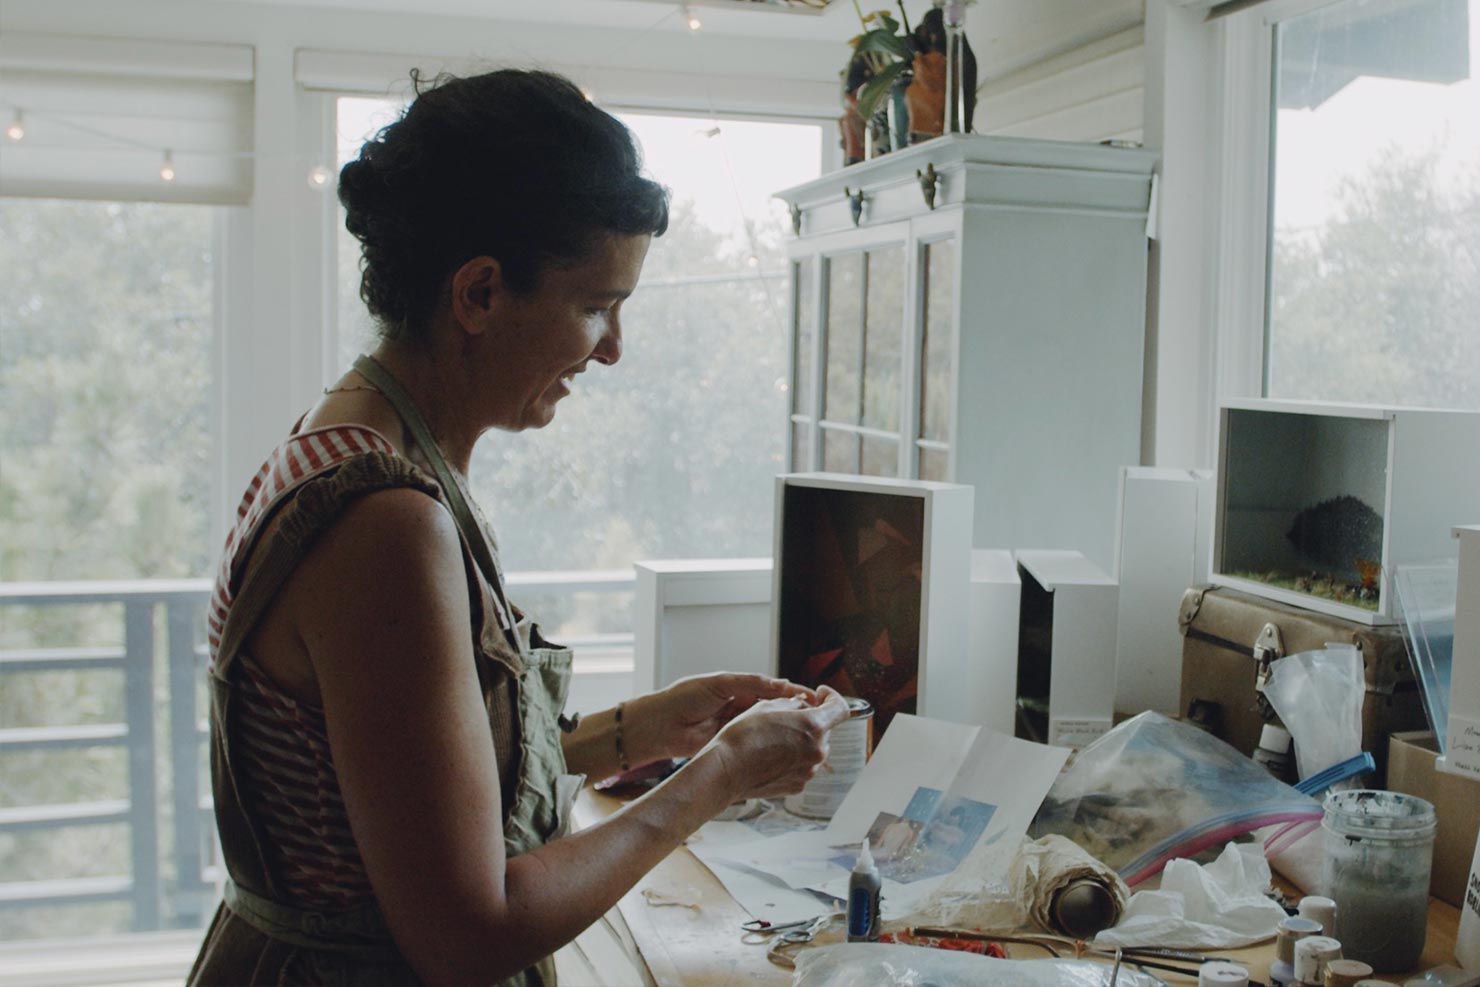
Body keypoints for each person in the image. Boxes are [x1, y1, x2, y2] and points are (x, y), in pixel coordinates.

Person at [187, 68, 849, 987]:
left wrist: (647, 729)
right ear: (480, 293)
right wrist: (721, 774)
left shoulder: (355, 444)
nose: (612, 346)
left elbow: (410, 785)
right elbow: (468, 934)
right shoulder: (386, 521)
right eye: (595, 305)